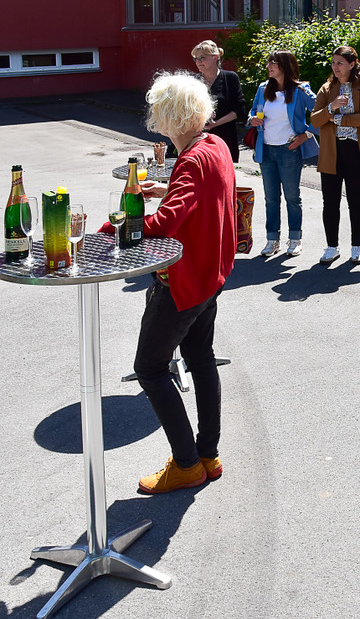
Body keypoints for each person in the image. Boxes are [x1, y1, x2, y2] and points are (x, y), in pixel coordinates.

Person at [98, 72, 236, 493]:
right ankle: (208, 455)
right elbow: (197, 198)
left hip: (183, 281)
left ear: (169, 116)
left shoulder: (191, 158)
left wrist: (110, 228)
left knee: (150, 368)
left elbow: (166, 222)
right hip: (210, 274)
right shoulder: (214, 145)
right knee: (201, 359)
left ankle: (187, 464)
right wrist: (168, 188)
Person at [246, 50, 318, 258]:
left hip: (289, 150)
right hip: (266, 150)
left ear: (286, 66)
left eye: (274, 63)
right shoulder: (263, 88)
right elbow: (252, 111)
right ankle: (272, 240)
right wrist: (252, 119)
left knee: (292, 197)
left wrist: (306, 135)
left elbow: (321, 112)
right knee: (271, 198)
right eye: (269, 62)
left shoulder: (300, 90)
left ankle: (295, 239)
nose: (269, 66)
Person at [311, 46, 360, 265]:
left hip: (355, 151)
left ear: (352, 64)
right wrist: (331, 107)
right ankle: (332, 247)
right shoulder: (327, 88)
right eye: (333, 62)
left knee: (356, 201)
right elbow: (315, 120)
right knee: (330, 202)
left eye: (340, 63)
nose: (335, 67)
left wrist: (337, 119)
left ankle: (357, 247)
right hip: (331, 151)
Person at [192, 39, 247, 163]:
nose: (198, 62)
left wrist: (215, 123)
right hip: (199, 140)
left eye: (202, 57)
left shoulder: (230, 78)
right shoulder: (193, 81)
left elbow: (240, 109)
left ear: (215, 57)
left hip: (225, 139)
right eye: (196, 59)